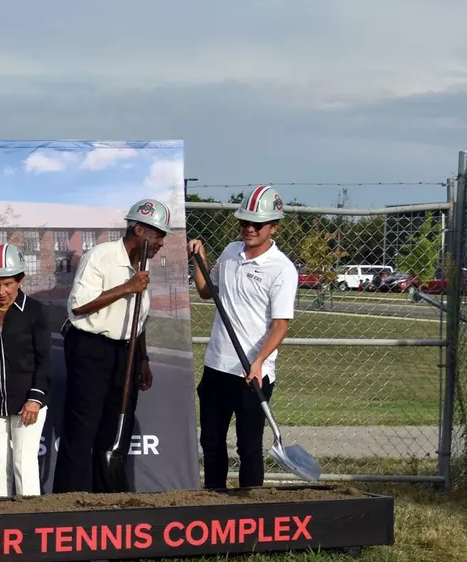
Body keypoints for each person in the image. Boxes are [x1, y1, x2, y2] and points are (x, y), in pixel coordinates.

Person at [53, 199, 169, 493]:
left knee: (116, 428)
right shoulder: (102, 256)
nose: (161, 243)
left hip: (126, 352)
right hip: (90, 348)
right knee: (83, 428)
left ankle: (108, 500)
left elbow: (137, 317)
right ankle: (69, 500)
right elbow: (79, 307)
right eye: (157, 235)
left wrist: (142, 359)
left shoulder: (141, 267)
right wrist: (127, 288)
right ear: (139, 229)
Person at [189, 185, 297, 489]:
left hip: (253, 372)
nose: (249, 228)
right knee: (211, 440)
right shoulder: (230, 252)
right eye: (244, 222)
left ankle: (252, 509)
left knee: (248, 447)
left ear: (273, 226)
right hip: (217, 366)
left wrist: (259, 361)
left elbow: (280, 325)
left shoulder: (281, 270)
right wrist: (200, 257)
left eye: (257, 224)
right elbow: (206, 291)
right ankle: (214, 501)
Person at [0, 243, 54, 497]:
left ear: (20, 280)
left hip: (27, 399)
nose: (1, 291)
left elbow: (45, 360)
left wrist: (35, 399)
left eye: (7, 284)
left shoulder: (35, 311)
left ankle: (30, 523)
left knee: (23, 463)